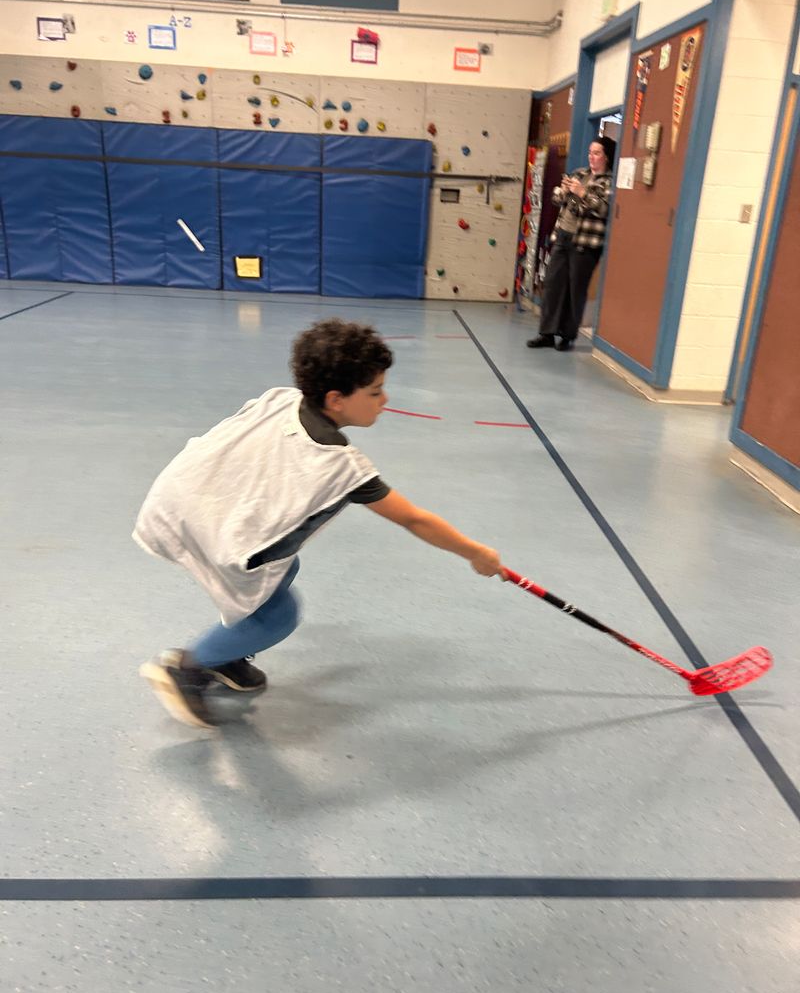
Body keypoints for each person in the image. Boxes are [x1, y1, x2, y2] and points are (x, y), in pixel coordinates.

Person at [135, 318, 504, 728]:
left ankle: (227, 654)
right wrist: (477, 554)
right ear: (336, 399)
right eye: (375, 391)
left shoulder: (281, 398)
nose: (385, 399)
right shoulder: (341, 467)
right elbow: (415, 520)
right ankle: (185, 669)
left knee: (285, 566)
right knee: (280, 613)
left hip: (177, 503)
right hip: (217, 536)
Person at [527, 136, 616, 352]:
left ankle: (567, 336)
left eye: (596, 153)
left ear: (606, 157)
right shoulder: (579, 173)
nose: (591, 157)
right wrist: (564, 191)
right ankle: (546, 333)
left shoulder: (608, 181)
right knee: (552, 285)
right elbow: (557, 199)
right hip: (563, 236)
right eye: (590, 152)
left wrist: (581, 193)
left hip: (585, 242)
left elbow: (603, 209)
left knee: (575, 289)